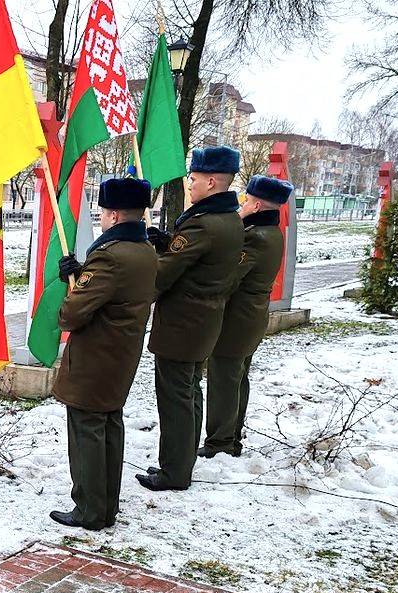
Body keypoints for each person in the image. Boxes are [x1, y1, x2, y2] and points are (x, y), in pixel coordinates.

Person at [49, 179, 158, 530]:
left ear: (112, 214)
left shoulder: (109, 256)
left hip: (96, 356)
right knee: (109, 425)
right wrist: (82, 274)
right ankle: (105, 504)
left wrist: (77, 285)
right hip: (120, 353)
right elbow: (116, 294)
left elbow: (72, 313)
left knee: (87, 431)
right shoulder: (143, 250)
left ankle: (90, 510)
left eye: (101, 212)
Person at [139, 146, 245, 492]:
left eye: (195, 177)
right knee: (190, 393)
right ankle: (182, 462)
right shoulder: (228, 219)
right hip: (204, 322)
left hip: (182, 324)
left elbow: (163, 274)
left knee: (175, 399)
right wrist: (167, 242)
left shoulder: (203, 224)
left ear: (212, 181)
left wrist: (150, 255)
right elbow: (198, 263)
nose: (190, 183)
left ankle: (174, 471)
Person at [201, 175, 293, 459]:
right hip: (251, 318)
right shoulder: (271, 233)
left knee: (224, 379)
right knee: (237, 377)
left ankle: (220, 443)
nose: (241, 205)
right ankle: (231, 436)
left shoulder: (255, 237)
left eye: (245, 201)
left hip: (237, 321)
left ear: (254, 205)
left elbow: (229, 276)